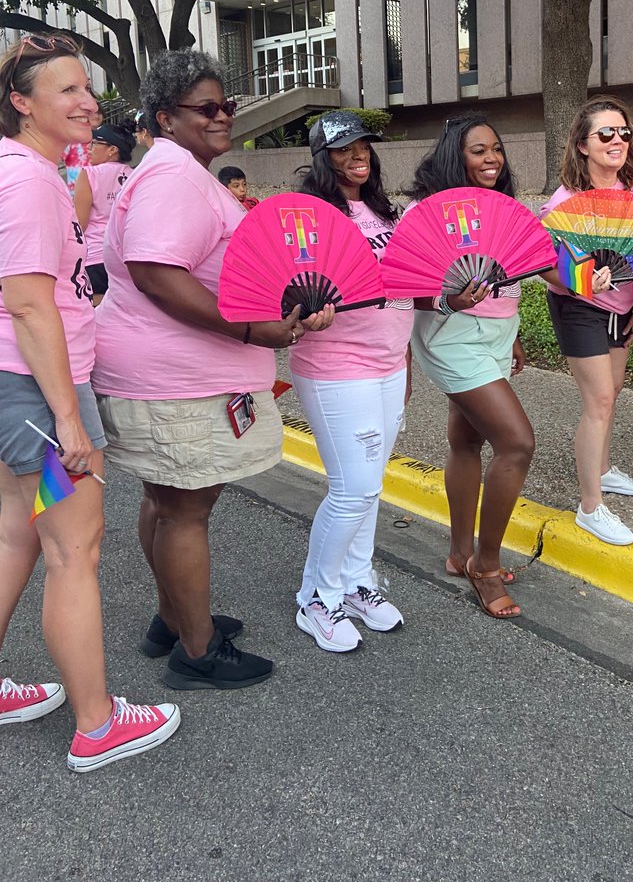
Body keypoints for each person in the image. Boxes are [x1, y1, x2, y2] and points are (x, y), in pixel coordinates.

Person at [92, 49, 333, 689]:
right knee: (184, 511)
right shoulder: (174, 178)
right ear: (166, 118)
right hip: (172, 379)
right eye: (207, 108)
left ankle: (174, 619)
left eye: (227, 104)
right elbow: (157, 272)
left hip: (167, 374)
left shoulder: (179, 170)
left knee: (167, 502)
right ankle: (196, 650)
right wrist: (253, 330)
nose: (223, 116)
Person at [0, 34, 179, 771]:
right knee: (74, 551)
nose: (88, 101)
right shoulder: (24, 180)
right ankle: (98, 725)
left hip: (20, 388)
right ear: (21, 103)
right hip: (42, 392)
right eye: (67, 90)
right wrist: (68, 420)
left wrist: (70, 163)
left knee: (16, 538)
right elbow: (30, 305)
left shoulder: (28, 170)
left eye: (89, 88)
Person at [290, 112, 413, 652]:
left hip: (389, 364)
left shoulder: (385, 211)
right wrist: (304, 311)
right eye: (343, 149)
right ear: (322, 157)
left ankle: (357, 582)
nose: (358, 155)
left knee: (371, 485)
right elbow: (287, 289)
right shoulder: (310, 217)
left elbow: (410, 282)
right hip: (337, 367)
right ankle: (316, 598)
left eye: (363, 145)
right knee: (353, 488)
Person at [408, 114, 533, 619]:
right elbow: (406, 285)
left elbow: (508, 275)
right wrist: (448, 301)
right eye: (478, 150)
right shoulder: (427, 211)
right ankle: (485, 564)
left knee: (467, 440)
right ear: (454, 156)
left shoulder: (502, 207)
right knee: (517, 443)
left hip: (498, 333)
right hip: (453, 336)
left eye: (496, 149)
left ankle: (460, 553)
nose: (491, 158)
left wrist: (515, 334)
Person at [539, 98, 633, 547]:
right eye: (606, 134)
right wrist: (581, 279)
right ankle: (590, 506)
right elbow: (544, 263)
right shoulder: (565, 200)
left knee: (613, 393)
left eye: (623, 133)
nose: (617, 141)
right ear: (582, 145)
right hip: (577, 306)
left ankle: (603, 469)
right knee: (599, 400)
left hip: (622, 305)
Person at [73, 123, 136, 304]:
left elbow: (79, 224)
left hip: (96, 256)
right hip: (128, 257)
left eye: (95, 144)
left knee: (99, 312)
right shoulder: (135, 175)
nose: (90, 149)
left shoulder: (89, 174)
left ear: (112, 150)